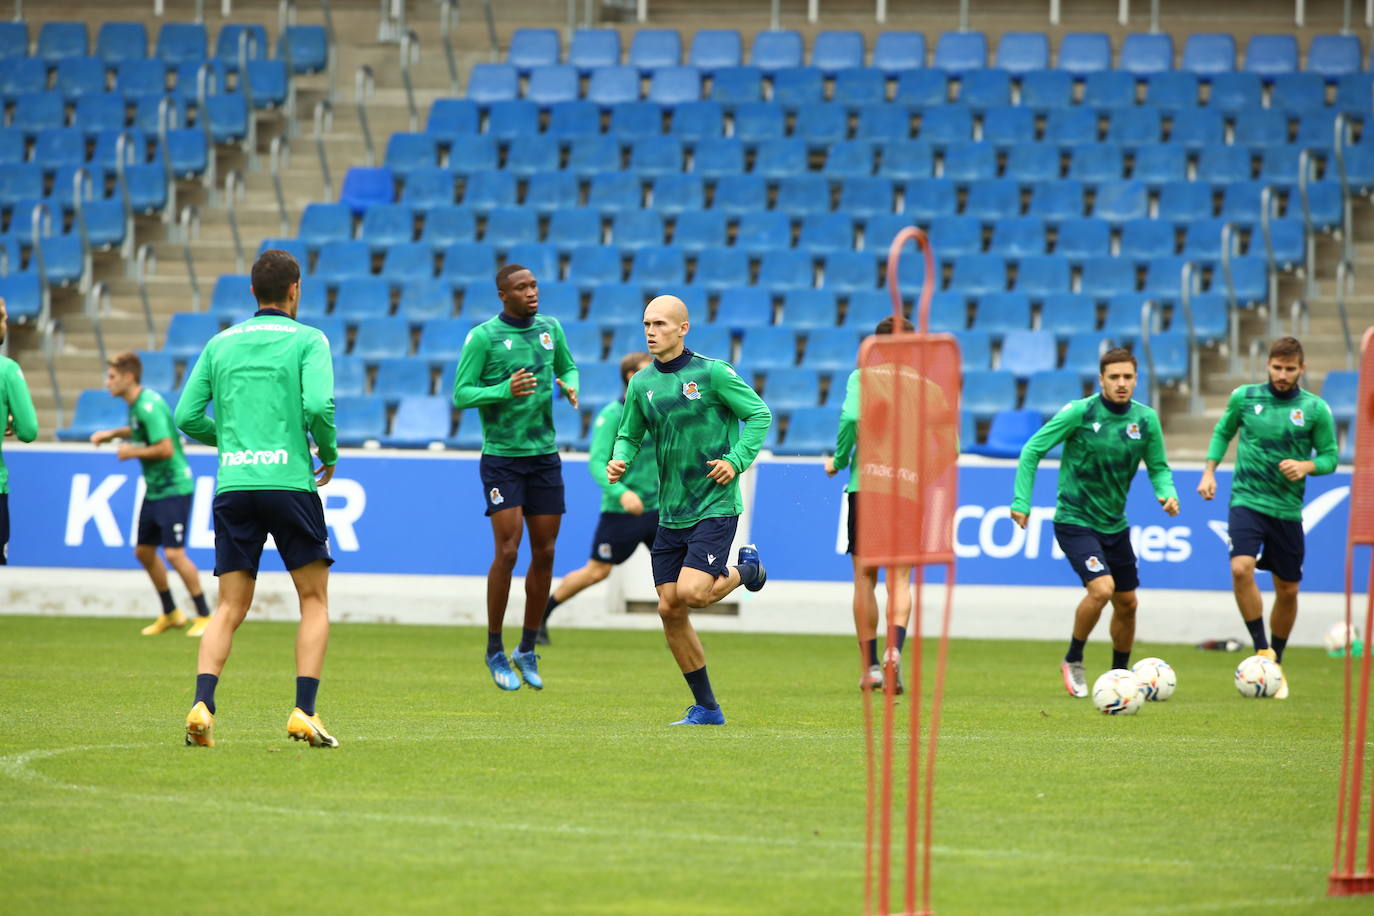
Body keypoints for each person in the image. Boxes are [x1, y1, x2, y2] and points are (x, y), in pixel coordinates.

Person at [174, 250, 339, 748]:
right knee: (313, 600)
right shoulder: (310, 340)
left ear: (252, 292)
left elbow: (185, 414)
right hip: (289, 483)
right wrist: (327, 452)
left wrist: (233, 441)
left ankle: (202, 705)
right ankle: (303, 712)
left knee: (228, 607)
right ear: (296, 290)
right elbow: (318, 404)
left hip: (235, 485)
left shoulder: (220, 342)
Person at [608, 295, 772, 725]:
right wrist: (620, 457)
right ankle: (708, 709)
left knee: (693, 593)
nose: (651, 330)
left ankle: (747, 571)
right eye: (646, 323)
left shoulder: (713, 373)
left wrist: (735, 461)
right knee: (669, 608)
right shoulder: (641, 383)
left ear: (683, 329)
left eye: (660, 323)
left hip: (714, 504)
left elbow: (758, 414)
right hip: (672, 511)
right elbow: (629, 433)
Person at [1010, 347, 1179, 698]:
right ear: (1101, 379)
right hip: (1075, 519)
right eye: (1114, 377)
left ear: (1136, 380)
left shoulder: (1145, 420)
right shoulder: (1080, 412)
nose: (1121, 383)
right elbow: (1032, 449)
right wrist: (1021, 500)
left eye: (1128, 377)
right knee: (1102, 589)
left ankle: (1120, 676)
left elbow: (1159, 467)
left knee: (1128, 602)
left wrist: (1167, 492)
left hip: (1115, 524)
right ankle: (1073, 658)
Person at [452, 263, 578, 691]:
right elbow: (461, 393)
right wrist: (503, 390)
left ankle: (526, 647)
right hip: (502, 458)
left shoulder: (551, 329)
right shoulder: (483, 338)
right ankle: (493, 648)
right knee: (508, 551)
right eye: (521, 287)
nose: (531, 292)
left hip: (544, 456)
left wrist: (570, 383)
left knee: (545, 552)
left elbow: (568, 366)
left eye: (534, 285)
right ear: (503, 295)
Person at [1197, 336, 1338, 699]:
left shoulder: (1315, 409)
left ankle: (1276, 661)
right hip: (1247, 500)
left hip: (1287, 510)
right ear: (1268, 365)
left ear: (1301, 370)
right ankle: (1262, 650)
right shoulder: (1245, 397)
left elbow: (1329, 457)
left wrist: (1307, 465)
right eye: (1277, 367)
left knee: (1287, 589)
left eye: (1290, 369)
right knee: (1240, 568)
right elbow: (1223, 431)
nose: (1282, 375)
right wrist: (1209, 471)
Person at [90, 352, 212, 637]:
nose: (107, 382)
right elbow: (139, 430)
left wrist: (131, 451)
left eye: (112, 377)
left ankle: (205, 615)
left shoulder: (147, 405)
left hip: (173, 486)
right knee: (144, 551)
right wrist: (111, 434)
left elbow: (166, 448)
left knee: (174, 553)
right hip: (156, 488)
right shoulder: (136, 406)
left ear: (129, 377)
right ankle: (171, 612)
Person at [540, 351, 657, 645]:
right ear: (632, 377)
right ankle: (540, 616)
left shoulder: (660, 415)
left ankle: (681, 636)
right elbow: (596, 463)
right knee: (597, 572)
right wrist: (622, 492)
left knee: (675, 575)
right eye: (649, 371)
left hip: (660, 509)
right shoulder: (612, 416)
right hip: (622, 511)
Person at [825, 316, 914, 693]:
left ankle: (872, 667)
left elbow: (849, 418)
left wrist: (840, 460)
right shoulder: (929, 387)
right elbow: (951, 445)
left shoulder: (862, 378)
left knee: (865, 577)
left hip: (868, 487)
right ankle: (895, 650)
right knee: (900, 580)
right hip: (909, 491)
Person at [0, 297, 38, 564]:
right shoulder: (7, 370)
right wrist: (10, 420)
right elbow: (28, 430)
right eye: (2, 317)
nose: (6, 323)